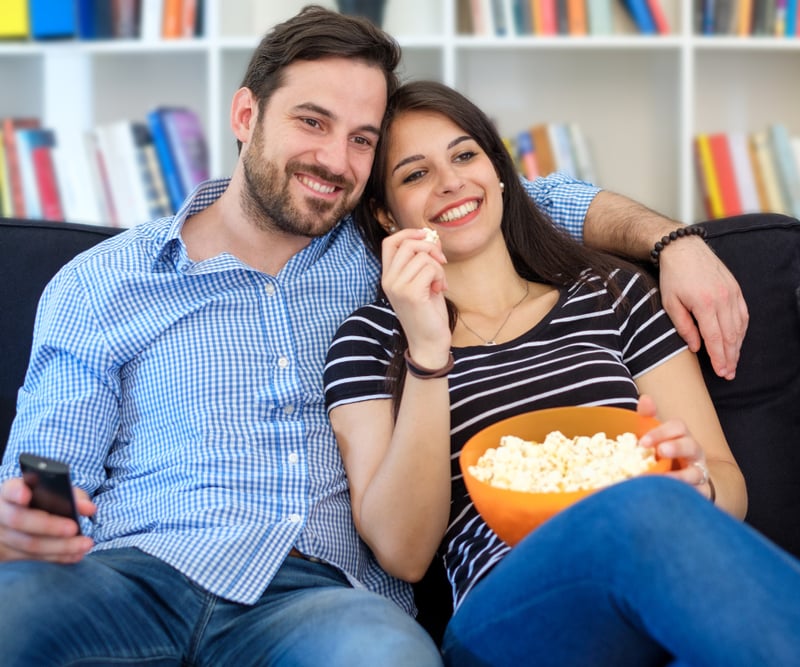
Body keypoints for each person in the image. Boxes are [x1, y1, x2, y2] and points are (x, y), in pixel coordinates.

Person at [0, 5, 748, 666]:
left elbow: (514, 198)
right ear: (244, 115)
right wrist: (23, 523)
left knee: (385, 656)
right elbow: (45, 478)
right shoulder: (103, 281)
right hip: (136, 574)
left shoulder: (389, 248)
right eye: (311, 122)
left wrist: (672, 239)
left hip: (319, 596)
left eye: (363, 139)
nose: (335, 161)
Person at [323, 80, 800, 667]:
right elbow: (403, 553)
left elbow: (727, 484)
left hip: (651, 585)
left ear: (499, 169)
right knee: (638, 509)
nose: (451, 181)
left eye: (464, 154)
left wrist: (697, 482)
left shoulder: (612, 294)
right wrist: (428, 347)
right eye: (415, 174)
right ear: (385, 212)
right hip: (507, 618)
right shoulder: (373, 339)